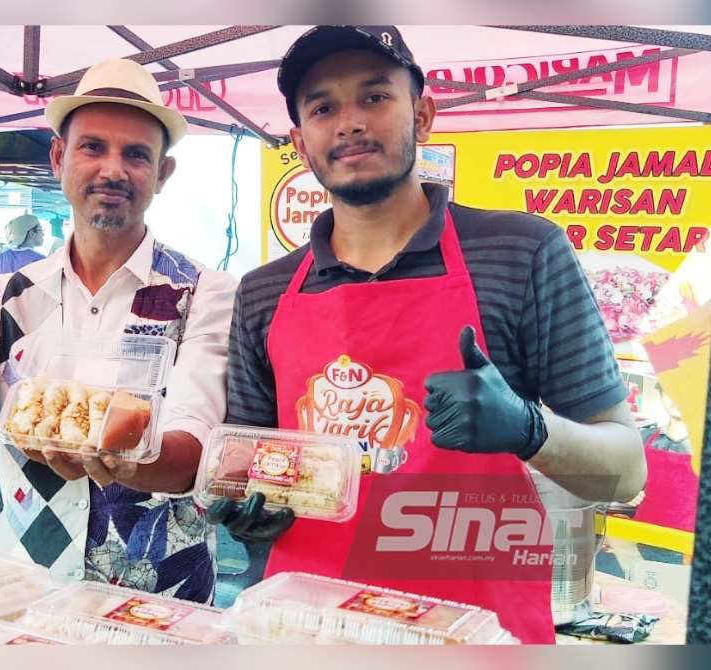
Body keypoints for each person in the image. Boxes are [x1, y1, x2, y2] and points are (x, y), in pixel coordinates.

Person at [215, 26, 646, 643]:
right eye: (323, 107)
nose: (349, 123)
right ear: (300, 142)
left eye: (374, 97)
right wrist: (245, 512)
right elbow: (247, 468)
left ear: (422, 114)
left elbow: (626, 471)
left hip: (478, 630)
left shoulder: (522, 252)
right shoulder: (261, 292)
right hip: (309, 625)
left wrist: (531, 429)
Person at [0, 58, 237, 603]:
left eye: (136, 154)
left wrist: (119, 459)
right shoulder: (8, 295)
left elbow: (194, 448)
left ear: (162, 175)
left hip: (163, 604)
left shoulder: (204, 294)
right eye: (92, 147)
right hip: (29, 589)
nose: (113, 170)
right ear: (59, 158)